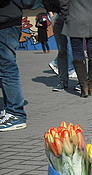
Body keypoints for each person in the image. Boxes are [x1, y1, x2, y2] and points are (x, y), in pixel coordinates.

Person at [0, 0, 35, 132]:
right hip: (8, 20)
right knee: (5, 68)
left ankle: (16, 114)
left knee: (7, 68)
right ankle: (12, 110)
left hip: (5, 22)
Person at [60, 0, 92, 98]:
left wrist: (66, 16)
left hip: (75, 19)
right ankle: (91, 85)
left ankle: (83, 86)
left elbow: (64, 3)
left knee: (77, 51)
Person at [43, 0, 72, 92]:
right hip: (58, 15)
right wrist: (51, 13)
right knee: (61, 50)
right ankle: (63, 81)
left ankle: (81, 80)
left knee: (76, 49)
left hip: (73, 16)